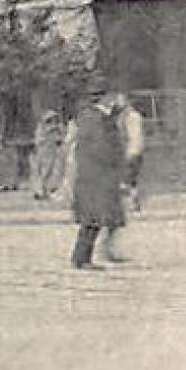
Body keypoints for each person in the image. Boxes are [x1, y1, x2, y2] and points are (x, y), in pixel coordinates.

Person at [71, 81, 127, 270]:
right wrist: (114, 161)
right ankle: (81, 259)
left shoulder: (95, 116)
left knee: (94, 217)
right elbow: (101, 146)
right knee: (92, 218)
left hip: (95, 174)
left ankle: (82, 258)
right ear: (103, 97)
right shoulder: (95, 118)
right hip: (96, 175)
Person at [118, 95, 145, 213]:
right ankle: (133, 204)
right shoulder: (127, 117)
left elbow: (131, 136)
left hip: (131, 151)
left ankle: (130, 204)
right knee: (131, 179)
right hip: (134, 150)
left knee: (125, 180)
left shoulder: (131, 117)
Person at [31, 110, 66, 200]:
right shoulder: (41, 128)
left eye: (54, 119)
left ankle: (47, 190)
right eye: (51, 119)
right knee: (43, 172)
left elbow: (62, 139)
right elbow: (38, 140)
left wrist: (59, 137)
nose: (53, 121)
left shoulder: (58, 128)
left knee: (50, 172)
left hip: (53, 152)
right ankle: (39, 191)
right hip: (43, 152)